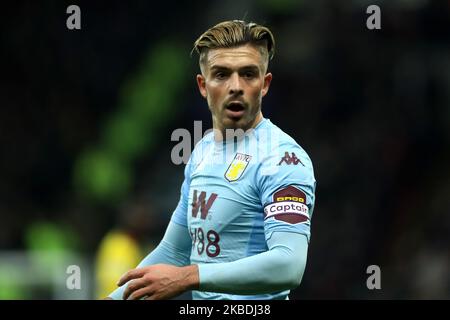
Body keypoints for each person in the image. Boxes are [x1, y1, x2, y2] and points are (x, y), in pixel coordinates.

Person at [107, 20, 316, 300]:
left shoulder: (283, 159)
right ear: (203, 86)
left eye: (248, 74)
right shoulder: (202, 151)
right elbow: (174, 250)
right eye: (221, 74)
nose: (235, 87)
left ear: (264, 85)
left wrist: (189, 277)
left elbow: (289, 265)